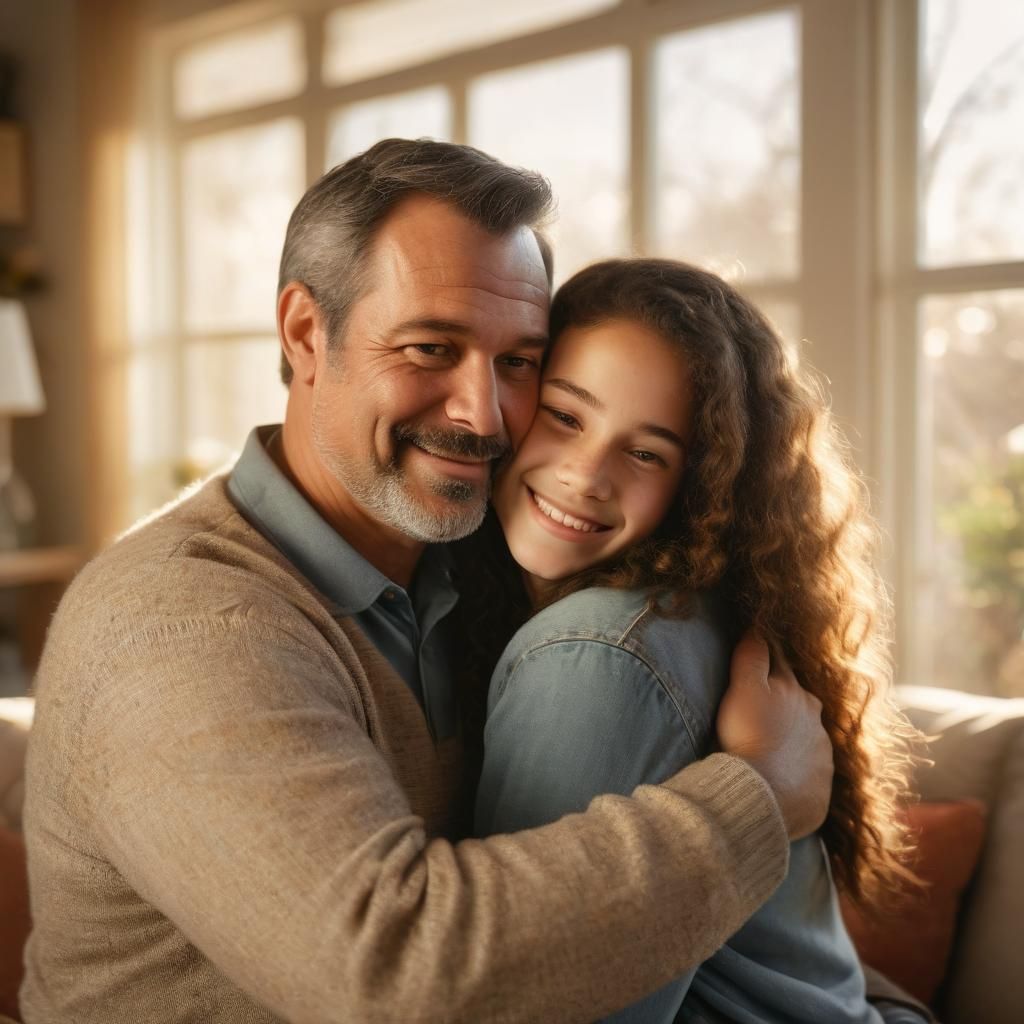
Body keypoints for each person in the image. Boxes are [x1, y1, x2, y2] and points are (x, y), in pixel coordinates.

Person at [21, 140, 832, 1024]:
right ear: (304, 334)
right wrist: (759, 798)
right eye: (429, 347)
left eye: (519, 363)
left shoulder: (484, 568)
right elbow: (390, 970)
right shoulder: (175, 622)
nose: (482, 414)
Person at [472, 258, 929, 1023]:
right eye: (565, 415)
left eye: (646, 452)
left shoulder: (596, 655)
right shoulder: (684, 612)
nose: (587, 475)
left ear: (700, 484)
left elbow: (543, 998)